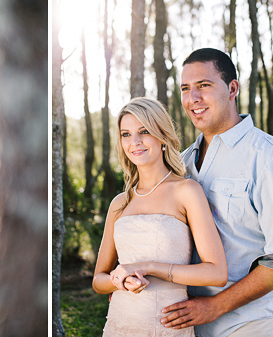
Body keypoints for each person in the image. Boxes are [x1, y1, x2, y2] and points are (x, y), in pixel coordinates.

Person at [159, 48, 273, 336]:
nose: (193, 98)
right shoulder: (182, 163)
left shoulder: (269, 158)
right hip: (186, 323)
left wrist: (214, 306)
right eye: (186, 88)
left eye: (204, 85)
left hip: (249, 323)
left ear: (232, 88)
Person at [93, 97, 228, 336]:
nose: (134, 142)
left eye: (144, 131)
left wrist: (149, 267)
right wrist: (120, 280)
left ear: (162, 135)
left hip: (168, 325)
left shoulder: (186, 191)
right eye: (126, 134)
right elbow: (98, 280)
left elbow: (216, 273)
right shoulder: (119, 204)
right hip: (120, 324)